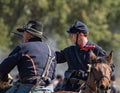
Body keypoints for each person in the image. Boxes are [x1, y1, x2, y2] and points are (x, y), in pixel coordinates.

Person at [0, 19, 56, 93]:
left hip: (28, 88)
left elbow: (3, 68)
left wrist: (4, 77)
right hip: (48, 90)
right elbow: (52, 76)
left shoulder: (23, 47)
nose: (23, 36)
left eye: (24, 33)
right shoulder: (51, 51)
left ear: (29, 35)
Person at [56, 20, 107, 92]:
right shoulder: (69, 51)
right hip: (69, 88)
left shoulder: (96, 50)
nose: (71, 37)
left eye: (73, 34)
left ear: (80, 35)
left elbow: (109, 67)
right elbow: (55, 58)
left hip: (88, 89)